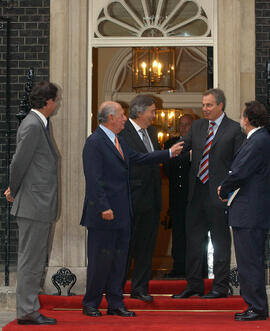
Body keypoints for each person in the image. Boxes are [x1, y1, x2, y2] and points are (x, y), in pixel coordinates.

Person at [80, 101, 183, 317]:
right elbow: (93, 179)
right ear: (110, 118)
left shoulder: (118, 140)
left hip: (123, 212)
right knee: (101, 261)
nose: (125, 119)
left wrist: (168, 154)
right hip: (103, 215)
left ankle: (115, 303)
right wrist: (103, 207)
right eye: (121, 115)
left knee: (119, 261)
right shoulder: (95, 142)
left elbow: (139, 158)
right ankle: (91, 303)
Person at [172, 88, 244, 299]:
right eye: (203, 105)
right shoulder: (198, 126)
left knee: (220, 243)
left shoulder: (234, 129)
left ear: (221, 105)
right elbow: (182, 149)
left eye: (209, 105)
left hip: (219, 195)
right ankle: (193, 286)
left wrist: (229, 188)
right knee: (193, 242)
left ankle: (220, 287)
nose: (205, 109)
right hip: (196, 194)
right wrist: (163, 154)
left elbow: (239, 162)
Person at [4, 81, 60, 325]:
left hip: (39, 204)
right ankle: (27, 311)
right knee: (30, 261)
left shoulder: (40, 124)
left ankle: (29, 308)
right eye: (56, 100)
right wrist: (13, 189)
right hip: (33, 204)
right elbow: (18, 162)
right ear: (48, 102)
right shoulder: (32, 125)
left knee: (35, 260)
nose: (58, 104)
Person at [218, 101, 270, 321]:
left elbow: (240, 172)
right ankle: (255, 305)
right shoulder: (259, 139)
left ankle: (257, 308)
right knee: (250, 260)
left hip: (250, 211)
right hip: (250, 211)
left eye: (241, 116)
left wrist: (223, 187)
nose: (240, 119)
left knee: (249, 261)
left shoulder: (258, 140)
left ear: (247, 119)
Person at [119, 95, 162, 302]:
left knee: (146, 248)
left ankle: (140, 289)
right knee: (126, 248)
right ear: (139, 112)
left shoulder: (152, 132)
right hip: (131, 200)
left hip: (152, 201)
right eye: (152, 111)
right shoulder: (122, 132)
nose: (155, 115)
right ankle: (116, 289)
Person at [163, 114, 194, 278]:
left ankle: (196, 269)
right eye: (181, 124)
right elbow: (167, 169)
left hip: (194, 198)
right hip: (176, 197)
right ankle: (179, 268)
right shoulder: (170, 145)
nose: (183, 128)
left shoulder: (199, 145)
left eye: (187, 124)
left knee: (195, 235)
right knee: (178, 234)